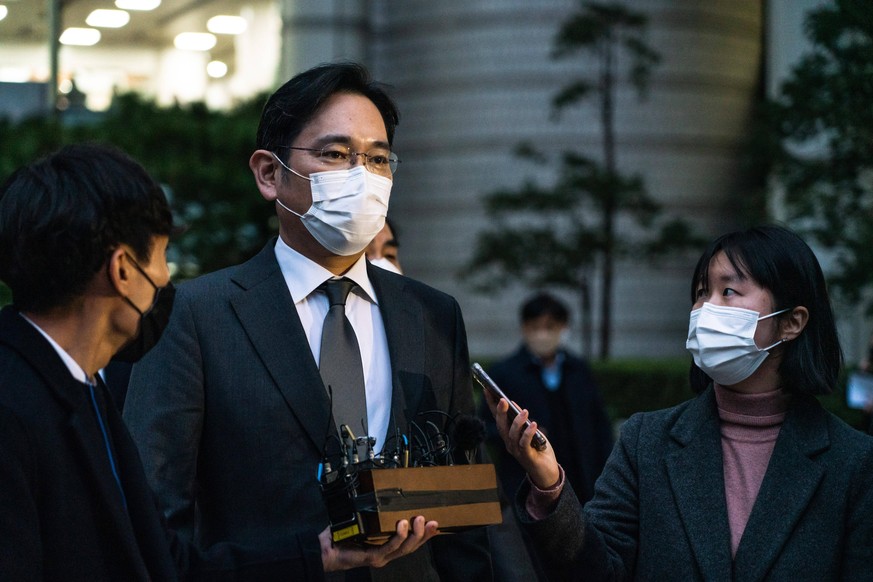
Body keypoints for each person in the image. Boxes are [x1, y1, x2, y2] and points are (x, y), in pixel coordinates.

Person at [123, 62, 491, 580]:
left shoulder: (433, 314)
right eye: (337, 154)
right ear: (270, 174)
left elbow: (462, 510)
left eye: (379, 158)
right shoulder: (195, 314)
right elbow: (155, 513)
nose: (362, 176)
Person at [0, 144, 436, 580]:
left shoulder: (83, 391)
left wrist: (317, 554)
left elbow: (169, 564)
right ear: (123, 270)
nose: (167, 279)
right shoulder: (16, 404)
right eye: (161, 255)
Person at [483, 225, 873, 580]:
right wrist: (549, 483)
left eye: (728, 292)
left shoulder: (853, 463)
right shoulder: (646, 442)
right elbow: (597, 570)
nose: (704, 310)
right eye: (701, 292)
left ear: (792, 322)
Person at [481, 292, 612, 505]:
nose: (542, 334)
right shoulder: (505, 372)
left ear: (563, 327)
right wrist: (522, 434)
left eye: (550, 327)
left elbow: (599, 424)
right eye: (535, 327)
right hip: (524, 482)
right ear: (524, 328)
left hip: (581, 479)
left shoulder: (578, 369)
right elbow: (486, 426)